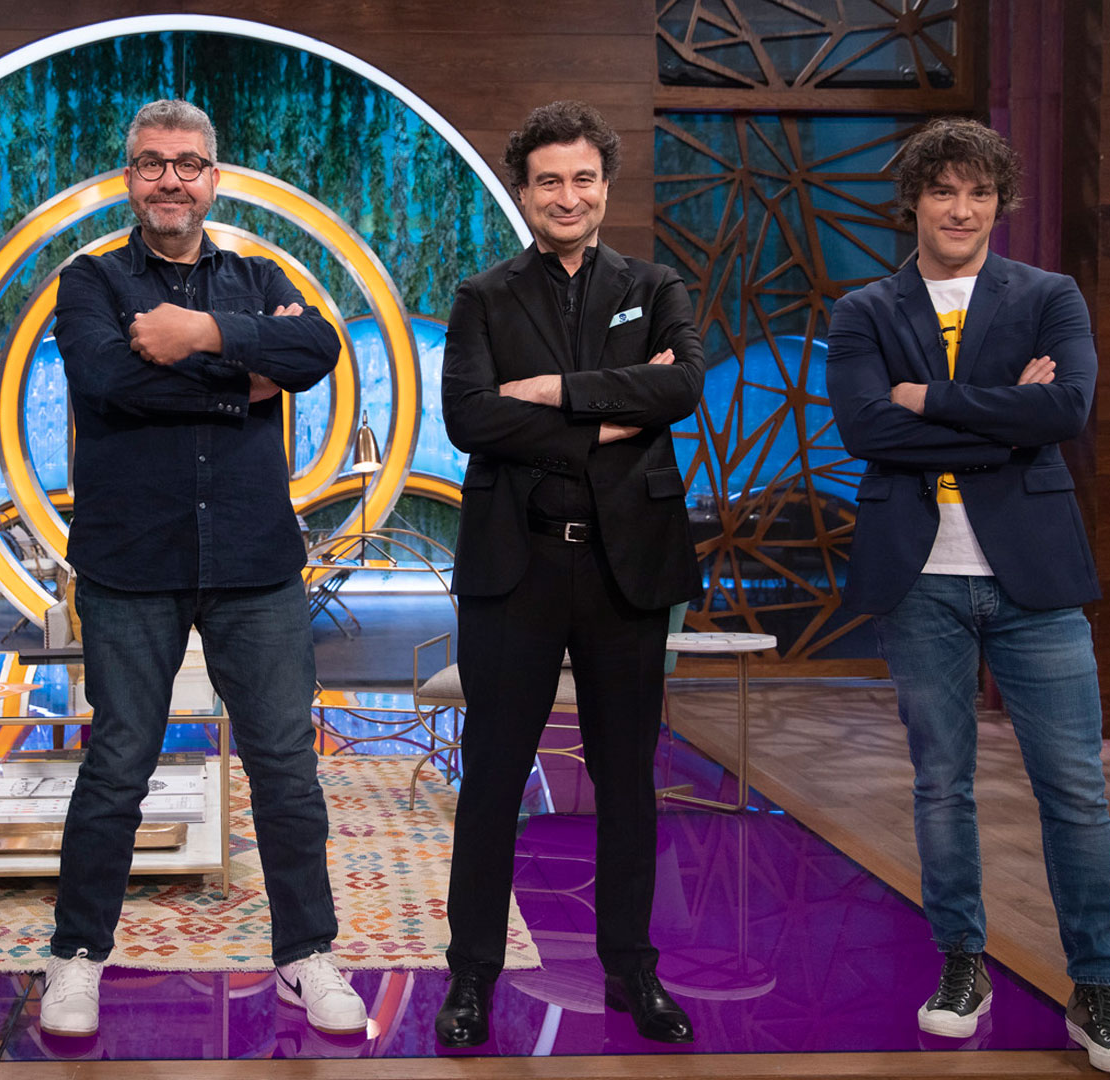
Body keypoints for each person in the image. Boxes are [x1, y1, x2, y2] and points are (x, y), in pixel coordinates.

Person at [825, 117, 1110, 1077]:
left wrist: (928, 399)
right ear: (914, 202)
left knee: (1075, 790)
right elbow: (864, 430)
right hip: (920, 579)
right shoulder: (865, 309)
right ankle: (961, 965)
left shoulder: (1049, 296)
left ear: (1000, 203)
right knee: (942, 784)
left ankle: (1099, 990)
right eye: (942, 191)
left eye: (978, 192)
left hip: (1034, 579)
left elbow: (1066, 410)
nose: (960, 210)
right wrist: (1008, 419)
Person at [37, 99, 367, 1039]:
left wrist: (200, 335)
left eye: (188, 163)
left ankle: (306, 955)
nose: (170, 179)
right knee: (118, 765)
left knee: (286, 767)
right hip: (130, 561)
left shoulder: (259, 276)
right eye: (152, 163)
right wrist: (244, 384)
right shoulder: (90, 281)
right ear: (129, 179)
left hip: (254, 561)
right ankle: (76, 955)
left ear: (213, 178)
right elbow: (108, 379)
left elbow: (317, 348)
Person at [436, 100, 705, 1050]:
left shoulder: (654, 285)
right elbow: (470, 417)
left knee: (627, 778)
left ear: (604, 188)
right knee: (493, 777)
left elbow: (682, 385)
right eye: (548, 180)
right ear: (523, 192)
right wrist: (611, 422)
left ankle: (632, 970)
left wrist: (554, 393)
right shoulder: (482, 296)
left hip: (626, 566)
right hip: (516, 565)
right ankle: (472, 975)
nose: (567, 195)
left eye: (582, 178)